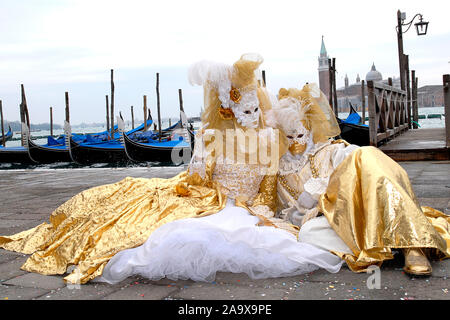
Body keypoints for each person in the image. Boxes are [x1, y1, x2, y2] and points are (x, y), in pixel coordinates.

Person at [0, 55, 343, 285]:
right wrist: (202, 175)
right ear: (228, 110)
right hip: (209, 200)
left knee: (211, 239)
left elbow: (268, 186)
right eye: (245, 109)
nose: (253, 115)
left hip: (245, 210)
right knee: (162, 226)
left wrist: (264, 208)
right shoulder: (209, 137)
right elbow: (197, 180)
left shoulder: (269, 138)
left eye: (256, 108)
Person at [270, 83, 450, 276]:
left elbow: (358, 162)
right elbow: (284, 213)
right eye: (290, 136)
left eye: (301, 135)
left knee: (367, 155)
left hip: (357, 208)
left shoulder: (329, 151)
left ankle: (413, 245)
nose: (296, 143)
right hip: (331, 222)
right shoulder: (277, 169)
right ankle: (385, 243)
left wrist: (333, 187)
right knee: (308, 234)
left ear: (311, 132)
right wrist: (308, 208)